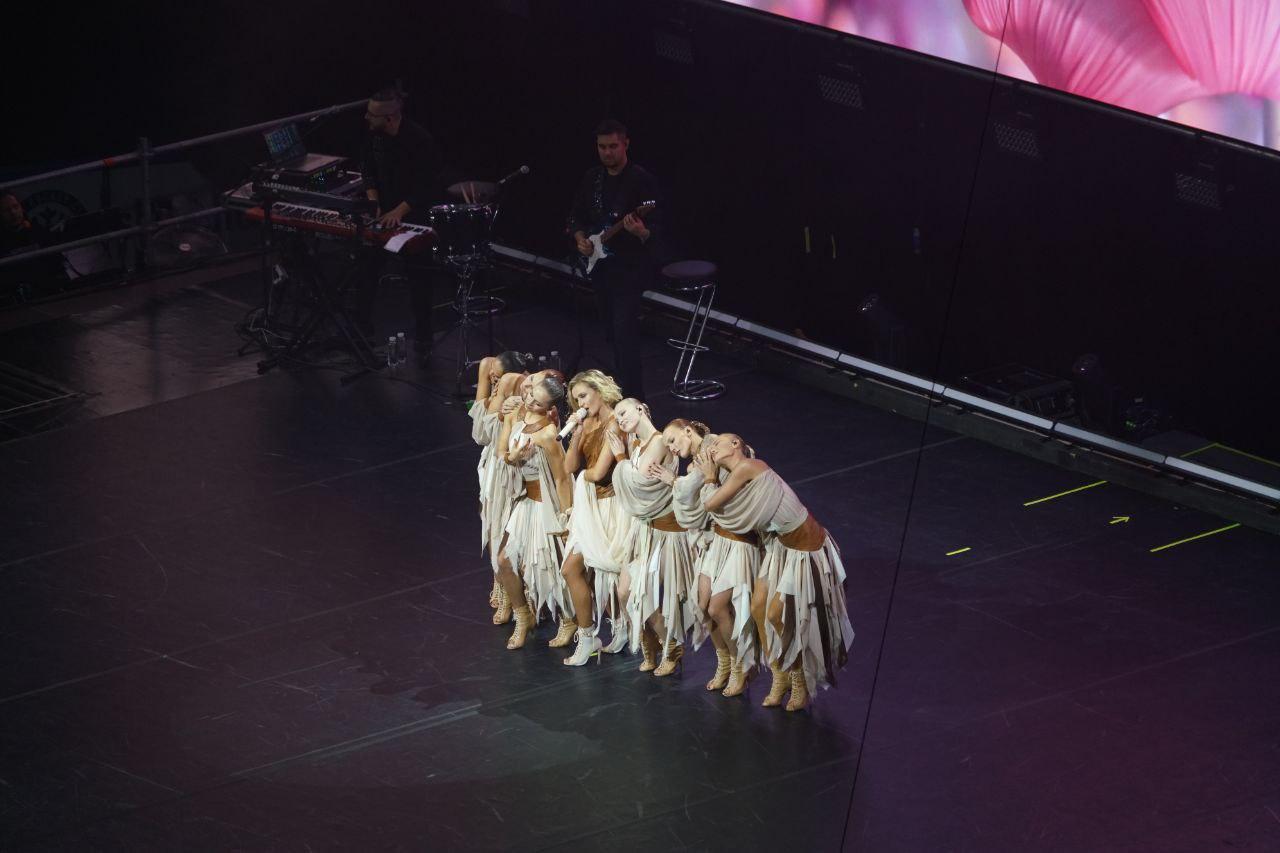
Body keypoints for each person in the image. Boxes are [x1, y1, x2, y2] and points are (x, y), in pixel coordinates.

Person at [693, 434, 854, 711]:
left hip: (805, 550)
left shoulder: (749, 467)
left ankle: (799, 680)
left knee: (774, 614)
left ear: (736, 445)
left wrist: (709, 477)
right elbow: (728, 512)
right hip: (781, 548)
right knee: (758, 609)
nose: (713, 447)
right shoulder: (738, 479)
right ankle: (779, 676)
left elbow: (711, 504)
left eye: (719, 443)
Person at [655, 420, 764, 697]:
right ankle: (724, 662)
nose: (670, 447)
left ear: (688, 431)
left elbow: (722, 497)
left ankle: (742, 664)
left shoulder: (717, 452)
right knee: (702, 607)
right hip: (714, 540)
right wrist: (681, 481)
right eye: (666, 444)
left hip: (737, 542)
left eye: (672, 439)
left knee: (717, 608)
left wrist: (695, 480)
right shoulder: (697, 465)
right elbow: (695, 509)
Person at [566, 120, 663, 400]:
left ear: (626, 145)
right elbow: (575, 216)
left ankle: (635, 400)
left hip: (630, 269)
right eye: (601, 147)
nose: (607, 152)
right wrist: (580, 239)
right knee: (611, 331)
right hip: (601, 267)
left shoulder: (641, 181)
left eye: (612, 146)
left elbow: (657, 231)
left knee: (625, 335)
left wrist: (640, 231)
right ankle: (619, 391)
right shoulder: (592, 178)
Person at [356, 88, 452, 364]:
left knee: (419, 280)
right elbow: (368, 171)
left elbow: (427, 184)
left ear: (390, 118)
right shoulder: (373, 135)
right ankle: (362, 331)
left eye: (372, 115)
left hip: (412, 215)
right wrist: (374, 202)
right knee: (365, 271)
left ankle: (424, 336)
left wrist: (398, 211)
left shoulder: (420, 140)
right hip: (383, 213)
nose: (366, 118)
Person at [607, 399, 704, 676]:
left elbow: (637, 485)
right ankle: (652, 643)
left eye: (624, 412)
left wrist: (620, 458)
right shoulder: (637, 445)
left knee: (642, 591)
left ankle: (671, 644)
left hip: (668, 531)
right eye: (617, 416)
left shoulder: (660, 441)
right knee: (625, 591)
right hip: (646, 529)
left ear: (641, 409)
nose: (621, 419)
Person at [558, 370, 634, 666]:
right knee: (570, 569)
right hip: (589, 505)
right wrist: (575, 435)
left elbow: (600, 472)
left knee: (609, 572)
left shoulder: (616, 421)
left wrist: (583, 477)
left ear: (600, 391)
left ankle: (623, 627)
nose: (580, 404)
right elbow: (568, 466)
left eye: (583, 396)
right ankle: (588, 636)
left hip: (612, 504)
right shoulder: (585, 423)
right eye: (575, 399)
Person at [494, 374, 574, 650]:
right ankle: (523, 615)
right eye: (530, 396)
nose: (530, 402)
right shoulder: (516, 417)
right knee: (504, 560)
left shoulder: (548, 434)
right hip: (525, 501)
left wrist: (567, 517)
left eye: (538, 403)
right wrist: (511, 458)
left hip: (545, 505)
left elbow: (562, 478)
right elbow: (501, 451)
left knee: (545, 567)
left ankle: (568, 618)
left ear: (549, 408)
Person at [469, 352, 533, 618]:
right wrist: (486, 373)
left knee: (514, 533)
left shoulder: (527, 397)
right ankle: (502, 585)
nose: (493, 382)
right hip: (495, 470)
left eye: (497, 377)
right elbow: (479, 434)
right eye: (491, 378)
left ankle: (521, 589)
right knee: (494, 525)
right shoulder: (498, 399)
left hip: (517, 470)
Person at [0, 189, 68, 302]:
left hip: (48, 292)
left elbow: (56, 261)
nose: (13, 213)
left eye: (15, 207)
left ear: (21, 208)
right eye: (6, 210)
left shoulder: (38, 231)